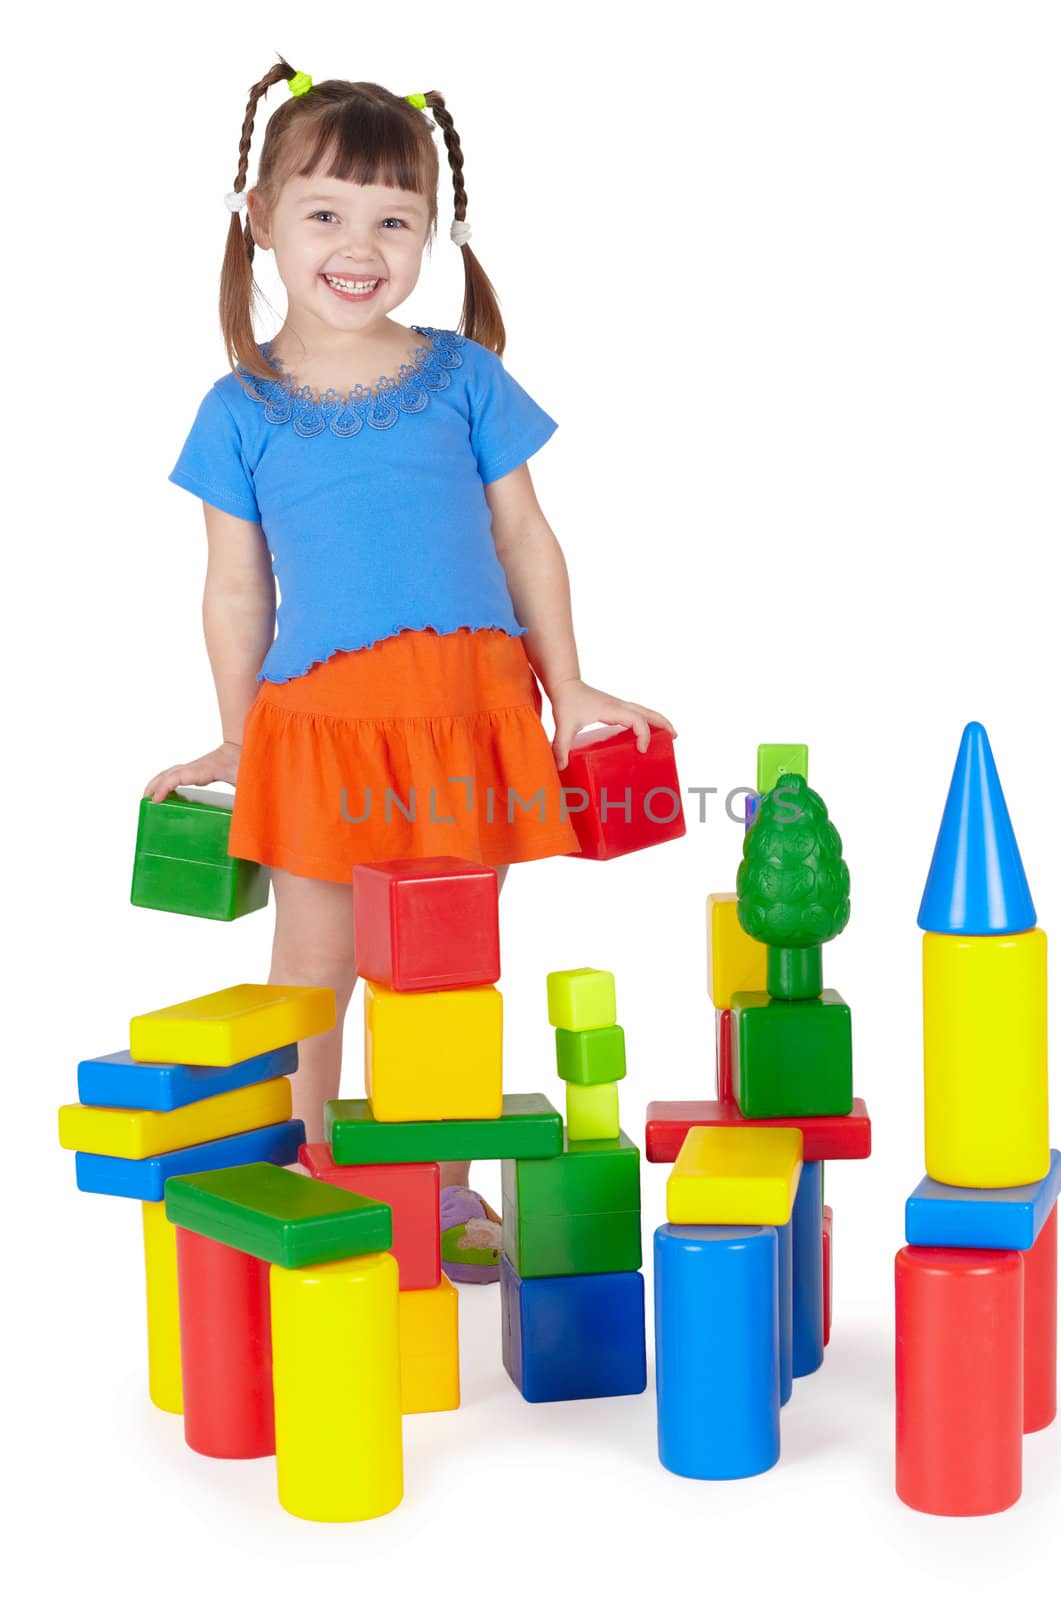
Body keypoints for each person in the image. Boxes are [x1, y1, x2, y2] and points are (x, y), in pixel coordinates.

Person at [145, 59, 677, 1282]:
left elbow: (523, 535)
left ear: (431, 234)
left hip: (463, 721)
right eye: (323, 212)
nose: (359, 245)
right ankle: (315, 1162)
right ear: (260, 220)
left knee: (437, 969)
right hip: (321, 729)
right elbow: (236, 587)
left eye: (395, 220)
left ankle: (440, 1186)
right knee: (312, 968)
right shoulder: (239, 405)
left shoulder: (464, 376)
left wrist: (575, 684)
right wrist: (239, 737)